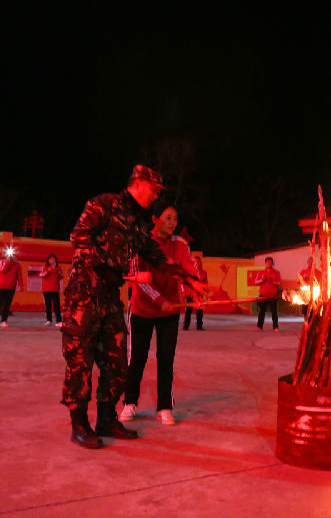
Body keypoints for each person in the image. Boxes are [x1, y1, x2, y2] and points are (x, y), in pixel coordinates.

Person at [61, 165, 204, 449]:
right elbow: (79, 236)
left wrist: (188, 279)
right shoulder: (104, 204)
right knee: (80, 363)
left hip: (111, 300)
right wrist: (102, 268)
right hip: (84, 296)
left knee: (116, 364)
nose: (156, 196)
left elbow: (154, 254)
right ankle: (79, 426)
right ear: (138, 183)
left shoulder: (137, 222)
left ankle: (106, 420)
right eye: (154, 189)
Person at [122, 206, 200, 426]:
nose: (172, 222)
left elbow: (188, 270)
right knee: (137, 358)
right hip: (142, 310)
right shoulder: (142, 243)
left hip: (170, 311)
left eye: (175, 218)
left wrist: (195, 288)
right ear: (155, 219)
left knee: (166, 358)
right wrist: (160, 301)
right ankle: (130, 402)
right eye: (168, 218)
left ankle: (164, 406)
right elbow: (139, 279)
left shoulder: (180, 245)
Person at [0, 249, 20, 328]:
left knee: (7, 305)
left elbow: (19, 275)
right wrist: (7, 261)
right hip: (1, 287)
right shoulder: (2, 262)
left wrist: (21, 285)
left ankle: (3, 321)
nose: (10, 255)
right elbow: (2, 270)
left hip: (11, 287)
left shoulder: (17, 264)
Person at [255, 257, 282, 331]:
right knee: (261, 312)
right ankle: (259, 327)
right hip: (263, 295)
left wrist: (273, 281)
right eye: (267, 262)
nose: (269, 264)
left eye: (270, 262)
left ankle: (275, 327)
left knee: (274, 312)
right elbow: (256, 282)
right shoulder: (261, 272)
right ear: (265, 263)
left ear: (272, 264)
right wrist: (262, 280)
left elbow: (279, 283)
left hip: (273, 296)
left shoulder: (276, 272)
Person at [183, 256, 208, 331]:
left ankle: (199, 326)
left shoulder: (203, 272)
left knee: (199, 310)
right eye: (194, 262)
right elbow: (186, 283)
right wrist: (185, 292)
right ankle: (186, 325)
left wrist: (205, 291)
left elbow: (205, 283)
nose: (196, 263)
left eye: (197, 262)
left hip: (199, 294)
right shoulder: (189, 272)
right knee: (188, 310)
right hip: (190, 293)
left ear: (200, 263)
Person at [40, 254, 64, 327]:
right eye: (51, 260)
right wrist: (48, 270)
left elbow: (61, 277)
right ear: (48, 260)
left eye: (54, 260)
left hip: (55, 289)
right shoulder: (45, 268)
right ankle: (49, 320)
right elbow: (41, 275)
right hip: (46, 289)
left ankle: (59, 321)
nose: (52, 261)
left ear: (56, 261)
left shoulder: (58, 268)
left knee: (56, 305)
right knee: (48, 306)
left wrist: (59, 274)